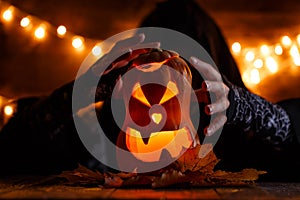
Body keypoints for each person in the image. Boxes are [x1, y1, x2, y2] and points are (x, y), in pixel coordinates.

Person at [0, 0, 299, 181]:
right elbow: (13, 147)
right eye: (146, 82)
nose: (157, 109)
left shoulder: (247, 141)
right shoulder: (99, 137)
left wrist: (251, 110)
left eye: (177, 85)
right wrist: (82, 92)